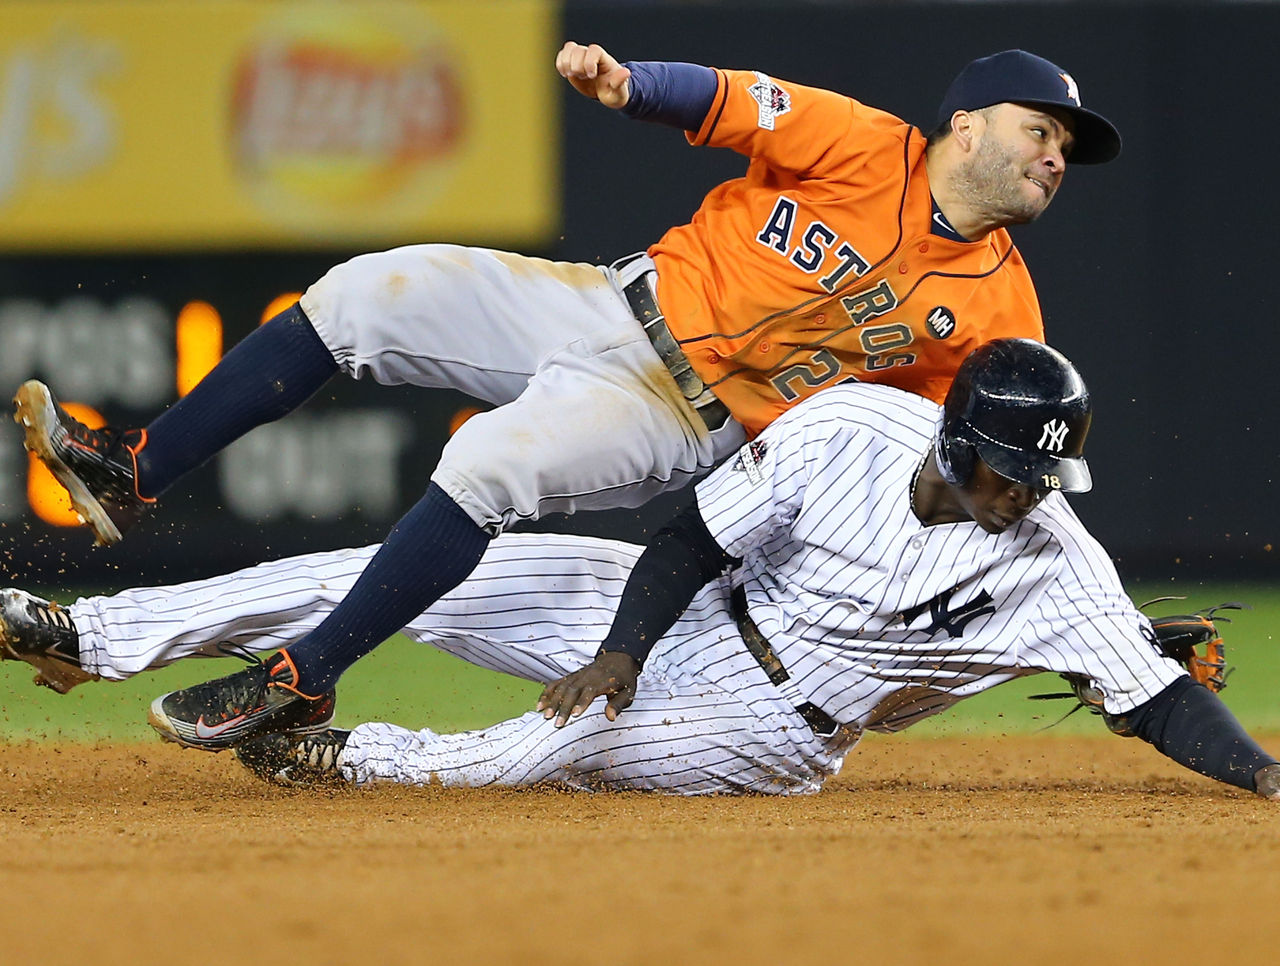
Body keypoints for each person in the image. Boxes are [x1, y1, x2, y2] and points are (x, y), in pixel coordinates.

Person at [12, 43, 1122, 749]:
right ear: (964, 127)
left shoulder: (1000, 314)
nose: (1055, 158)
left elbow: (995, 466)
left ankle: (306, 677)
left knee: (486, 467)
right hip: (600, 303)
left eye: (1064, 147)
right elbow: (730, 101)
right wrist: (629, 86)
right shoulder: (858, 143)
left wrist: (1101, 629)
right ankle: (135, 468)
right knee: (357, 297)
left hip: (683, 413)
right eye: (1042, 131)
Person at [5, 340, 1276, 800]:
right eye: (1016, 473)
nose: (1031, 497)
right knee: (367, 570)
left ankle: (339, 756)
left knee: (528, 751)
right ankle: (85, 636)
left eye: (1047, 479)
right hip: (683, 611)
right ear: (958, 442)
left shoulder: (1053, 556)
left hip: (769, 726)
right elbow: (687, 540)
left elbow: (1154, 700)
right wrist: (620, 646)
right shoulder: (845, 428)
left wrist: (1260, 774)